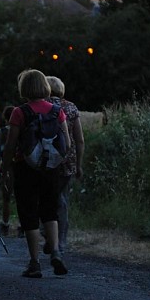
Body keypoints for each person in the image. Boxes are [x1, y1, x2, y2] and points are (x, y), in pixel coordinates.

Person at [0, 69, 71, 278]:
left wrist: (5, 170)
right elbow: (66, 142)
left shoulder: (19, 112)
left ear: (24, 88)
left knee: (29, 213)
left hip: (26, 167)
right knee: (50, 210)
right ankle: (56, 251)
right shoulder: (57, 110)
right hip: (51, 168)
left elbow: (11, 145)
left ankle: (34, 262)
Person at [46, 76, 84, 268]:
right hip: (66, 163)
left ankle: (48, 237)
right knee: (62, 202)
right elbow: (79, 140)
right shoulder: (71, 108)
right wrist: (79, 164)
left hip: (44, 161)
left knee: (44, 200)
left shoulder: (40, 106)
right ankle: (60, 243)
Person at [0, 105, 15, 236]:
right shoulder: (22, 130)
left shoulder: (2, 132)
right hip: (20, 167)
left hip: (6, 167)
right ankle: (23, 227)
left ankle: (5, 224)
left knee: (6, 198)